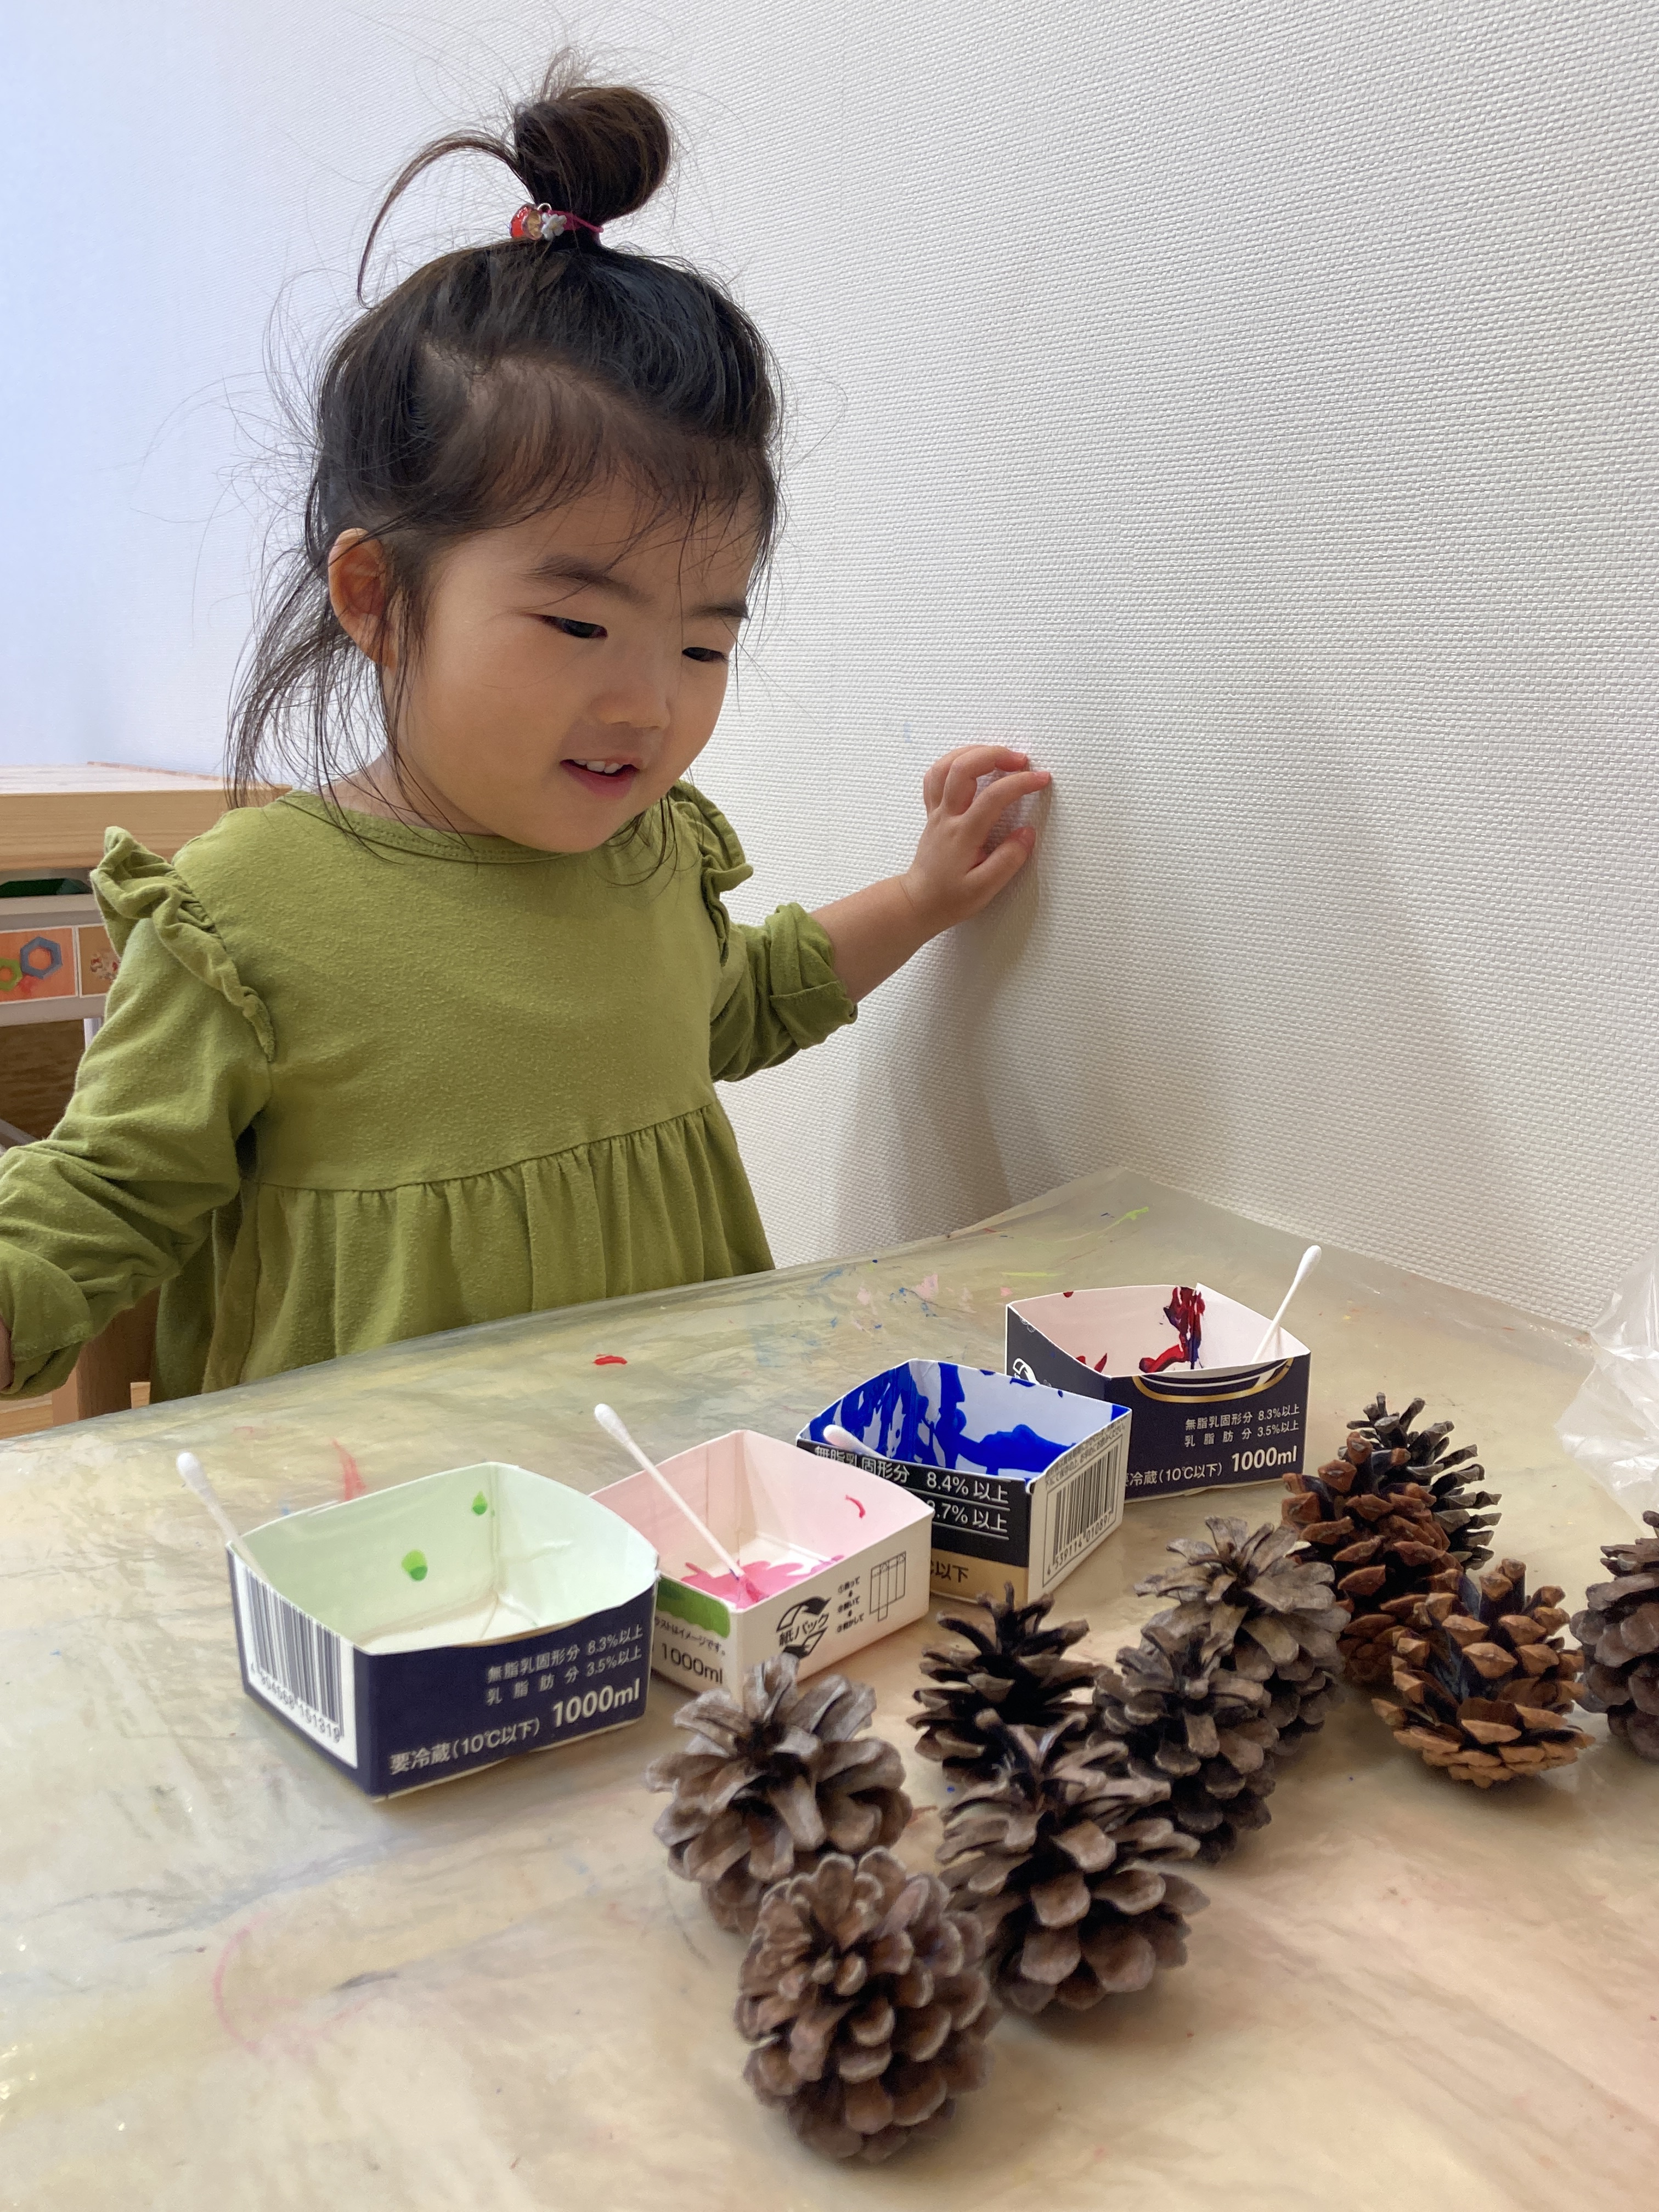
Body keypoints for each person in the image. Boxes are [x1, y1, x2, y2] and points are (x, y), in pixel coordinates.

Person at [0, 66, 1046, 1407]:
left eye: (702, 646)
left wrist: (921, 896)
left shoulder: (653, 854)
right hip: (377, 1505)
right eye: (577, 625)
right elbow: (101, 1203)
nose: (649, 704)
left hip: (668, 1467)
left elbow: (734, 1003)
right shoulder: (243, 919)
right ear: (378, 598)